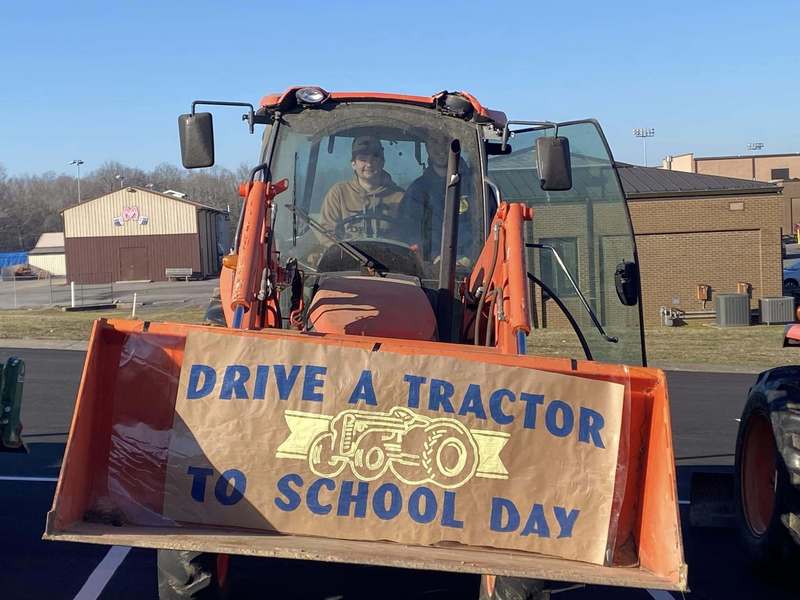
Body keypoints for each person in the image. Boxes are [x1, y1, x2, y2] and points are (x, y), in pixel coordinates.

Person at [400, 137, 474, 264]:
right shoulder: (417, 190)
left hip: (472, 271)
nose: (440, 148)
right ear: (427, 147)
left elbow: (485, 230)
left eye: (446, 141)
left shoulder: (476, 187)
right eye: (434, 141)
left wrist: (468, 259)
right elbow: (409, 232)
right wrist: (434, 257)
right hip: (429, 272)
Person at [319, 136, 406, 240]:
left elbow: (409, 235)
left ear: (382, 162)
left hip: (389, 255)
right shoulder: (338, 193)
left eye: (374, 158)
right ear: (353, 164)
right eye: (363, 159)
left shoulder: (401, 197)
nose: (369, 164)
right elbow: (326, 232)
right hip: (345, 255)